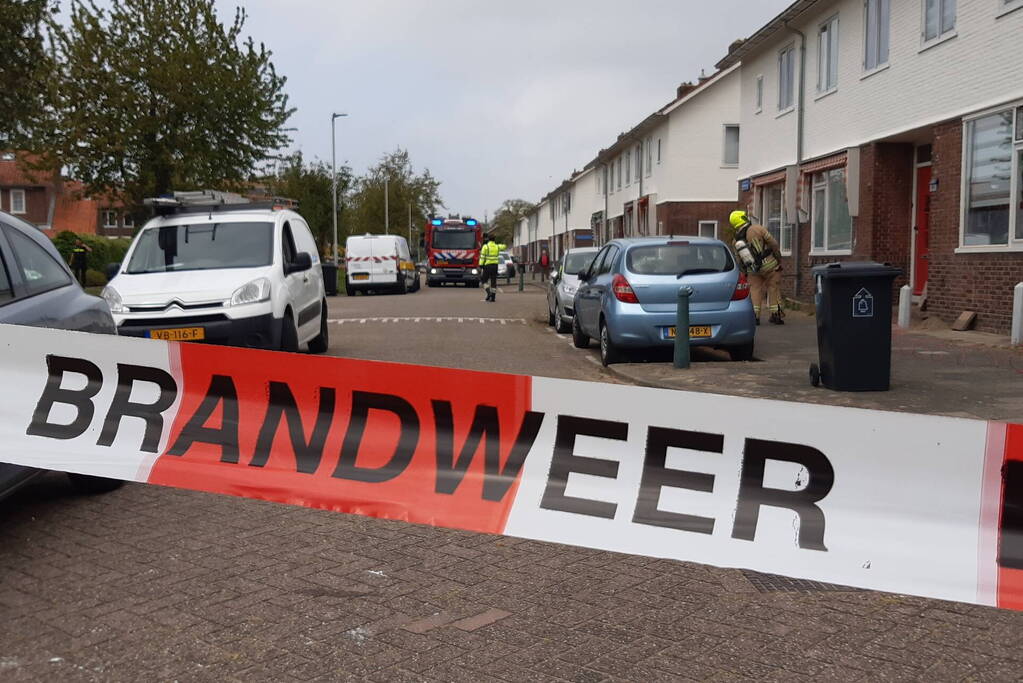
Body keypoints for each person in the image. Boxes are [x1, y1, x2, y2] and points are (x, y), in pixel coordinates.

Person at [729, 210, 784, 325]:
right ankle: (776, 314)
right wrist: (778, 258)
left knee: (755, 290)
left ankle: (755, 317)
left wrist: (745, 272)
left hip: (753, 270)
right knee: (773, 288)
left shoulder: (735, 241)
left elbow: (739, 259)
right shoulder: (758, 228)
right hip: (770, 266)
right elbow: (773, 243)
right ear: (743, 218)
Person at [480, 233, 506, 302]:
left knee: (484, 280)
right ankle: (493, 298)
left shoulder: (485, 247)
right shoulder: (497, 246)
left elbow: (482, 257)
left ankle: (489, 293)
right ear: (494, 239)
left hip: (487, 266)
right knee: (493, 282)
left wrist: (481, 265)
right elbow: (504, 246)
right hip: (495, 266)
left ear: (488, 239)